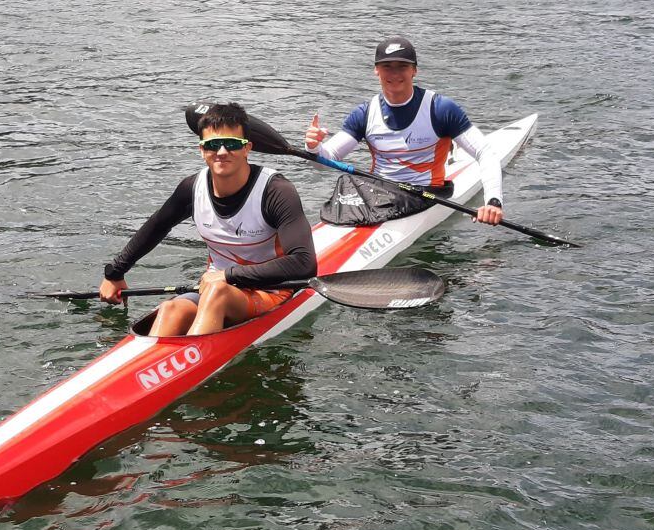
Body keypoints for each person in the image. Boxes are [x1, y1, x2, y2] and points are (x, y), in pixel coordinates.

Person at [99, 103, 317, 336]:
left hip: (272, 289)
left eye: (232, 144)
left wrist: (227, 275)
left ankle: (190, 358)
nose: (222, 152)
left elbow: (304, 263)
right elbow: (156, 227)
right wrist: (115, 274)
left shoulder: (275, 191)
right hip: (215, 286)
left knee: (218, 293)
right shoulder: (192, 188)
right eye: (213, 145)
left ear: (248, 149)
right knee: (171, 308)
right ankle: (148, 364)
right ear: (202, 150)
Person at [305, 36, 505, 225]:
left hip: (426, 194)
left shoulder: (440, 109)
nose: (394, 74)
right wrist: (314, 147)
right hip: (378, 193)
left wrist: (493, 201)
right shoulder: (365, 113)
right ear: (376, 70)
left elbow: (484, 152)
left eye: (402, 67)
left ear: (414, 70)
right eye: (387, 67)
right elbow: (326, 160)